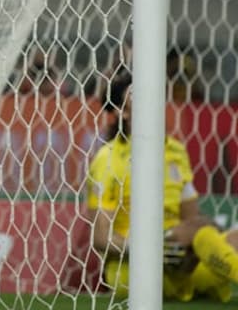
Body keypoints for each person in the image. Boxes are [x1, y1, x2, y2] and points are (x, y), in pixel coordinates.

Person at [87, 73, 238, 301]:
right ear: (123, 112)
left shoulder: (176, 151)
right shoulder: (107, 159)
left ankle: (193, 281)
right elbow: (100, 237)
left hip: (178, 257)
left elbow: (192, 219)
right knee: (203, 238)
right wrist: (150, 249)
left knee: (224, 237)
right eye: (139, 98)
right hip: (130, 270)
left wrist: (181, 243)